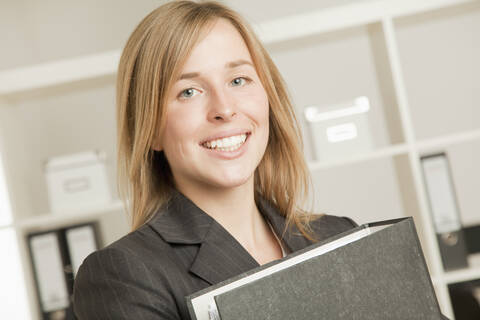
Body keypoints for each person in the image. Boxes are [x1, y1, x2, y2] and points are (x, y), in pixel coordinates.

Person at [72, 1, 358, 319]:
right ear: (150, 129)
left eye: (238, 80)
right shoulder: (125, 276)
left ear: (268, 98)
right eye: (189, 92)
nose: (224, 108)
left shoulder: (340, 236)